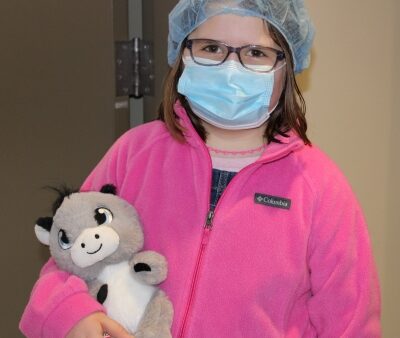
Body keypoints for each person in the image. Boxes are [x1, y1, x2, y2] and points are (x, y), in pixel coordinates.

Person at [20, 0, 381, 337]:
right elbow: (65, 251)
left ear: (287, 67)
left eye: (256, 53)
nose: (230, 68)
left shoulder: (318, 186)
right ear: (182, 53)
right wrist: (72, 316)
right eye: (211, 48)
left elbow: (350, 322)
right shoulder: (133, 154)